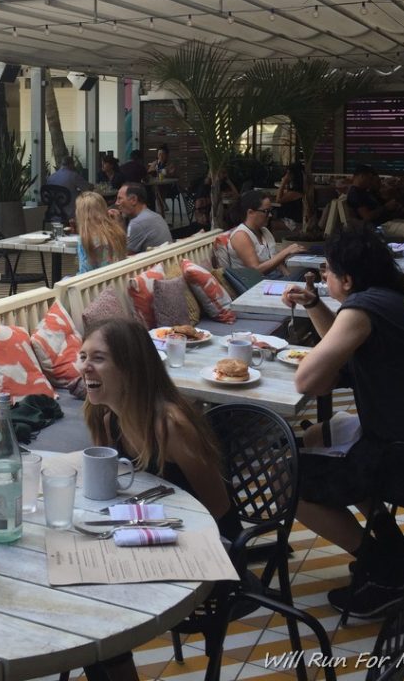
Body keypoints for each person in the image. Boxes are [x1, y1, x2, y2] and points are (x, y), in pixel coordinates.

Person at [283, 225, 404, 618]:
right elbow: (342, 344)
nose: (323, 277)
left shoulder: (362, 309)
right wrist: (314, 304)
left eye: (327, 271)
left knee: (289, 477)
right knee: (321, 434)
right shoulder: (397, 300)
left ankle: (382, 568)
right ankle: (397, 555)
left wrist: (315, 359)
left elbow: (307, 379)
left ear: (348, 279)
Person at [77, 318, 241, 681]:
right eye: (83, 355)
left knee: (97, 604)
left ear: (131, 367)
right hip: (152, 534)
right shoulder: (106, 416)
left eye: (99, 358)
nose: (85, 366)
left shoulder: (169, 423)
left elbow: (219, 508)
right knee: (80, 588)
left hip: (210, 548)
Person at [226, 190, 305, 277]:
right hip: (255, 285)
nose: (270, 215)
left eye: (270, 211)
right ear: (250, 212)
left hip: (274, 280)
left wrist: (289, 277)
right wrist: (286, 252)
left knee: (305, 273)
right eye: (266, 211)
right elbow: (256, 271)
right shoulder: (241, 235)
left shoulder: (265, 231)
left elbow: (277, 262)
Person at [346, 164, 404, 245]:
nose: (370, 181)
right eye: (370, 178)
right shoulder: (355, 193)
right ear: (362, 176)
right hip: (379, 226)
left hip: (386, 221)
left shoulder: (364, 191)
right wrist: (385, 207)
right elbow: (367, 217)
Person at [75, 191, 127, 273]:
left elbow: (84, 273)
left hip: (97, 284)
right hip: (118, 281)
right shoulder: (118, 232)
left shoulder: (86, 239)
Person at [113, 182, 171, 254]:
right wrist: (121, 222)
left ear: (133, 200)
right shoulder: (156, 216)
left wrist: (116, 226)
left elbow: (123, 254)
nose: (116, 203)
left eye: (119, 199)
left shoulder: (137, 223)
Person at [275, 161, 305, 226]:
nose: (286, 175)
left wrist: (283, 182)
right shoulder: (296, 190)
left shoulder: (296, 192)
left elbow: (278, 200)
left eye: (288, 173)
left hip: (292, 223)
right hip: (288, 219)